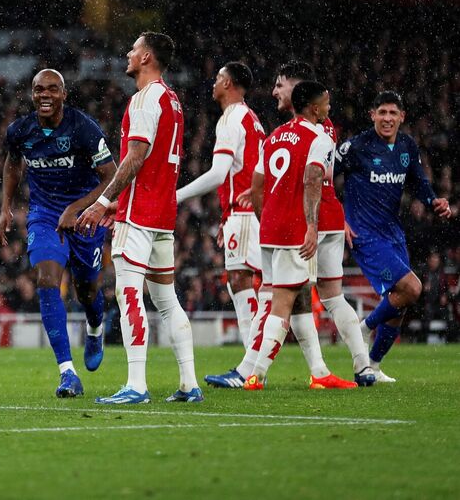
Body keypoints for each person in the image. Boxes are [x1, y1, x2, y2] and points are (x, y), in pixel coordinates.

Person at [218, 61, 363, 389]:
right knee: (281, 304)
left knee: (296, 299)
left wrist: (265, 218)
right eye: (325, 103)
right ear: (314, 107)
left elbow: (256, 185)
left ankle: (319, 373)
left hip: (268, 229)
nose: (329, 108)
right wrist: (311, 227)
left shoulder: (272, 137)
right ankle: (255, 375)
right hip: (293, 231)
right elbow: (314, 180)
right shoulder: (319, 137)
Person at [75, 32, 202, 405]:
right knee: (167, 299)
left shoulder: (146, 98)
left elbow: (136, 156)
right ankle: (188, 383)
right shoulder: (172, 99)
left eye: (133, 48)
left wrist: (103, 200)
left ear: (146, 57)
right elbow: (156, 164)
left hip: (140, 215)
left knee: (128, 292)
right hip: (161, 213)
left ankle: (136, 385)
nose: (128, 53)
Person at [0, 69, 117, 398]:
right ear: (32, 94)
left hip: (85, 216)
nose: (44, 95)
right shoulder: (21, 130)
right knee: (48, 280)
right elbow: (12, 163)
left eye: (52, 89)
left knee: (87, 291)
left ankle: (95, 326)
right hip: (44, 214)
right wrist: (5, 206)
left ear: (64, 94)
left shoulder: (83, 129)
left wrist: (77, 208)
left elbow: (111, 176)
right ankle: (67, 372)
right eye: (38, 90)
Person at [336, 91, 453, 382]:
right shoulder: (356, 147)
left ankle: (373, 366)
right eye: (382, 112)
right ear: (372, 115)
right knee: (411, 289)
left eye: (393, 113)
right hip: (365, 235)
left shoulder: (406, 145)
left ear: (402, 117)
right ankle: (363, 328)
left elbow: (418, 182)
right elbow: (323, 178)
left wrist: (433, 202)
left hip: (393, 233)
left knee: (399, 303)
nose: (387, 118)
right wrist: (338, 218)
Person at [175, 63, 264, 364]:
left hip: (244, 211)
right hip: (245, 213)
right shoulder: (252, 119)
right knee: (244, 281)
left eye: (217, 79)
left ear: (227, 82)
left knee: (242, 279)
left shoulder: (231, 119)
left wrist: (177, 196)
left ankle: (251, 364)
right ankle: (254, 360)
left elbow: (218, 174)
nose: (213, 83)